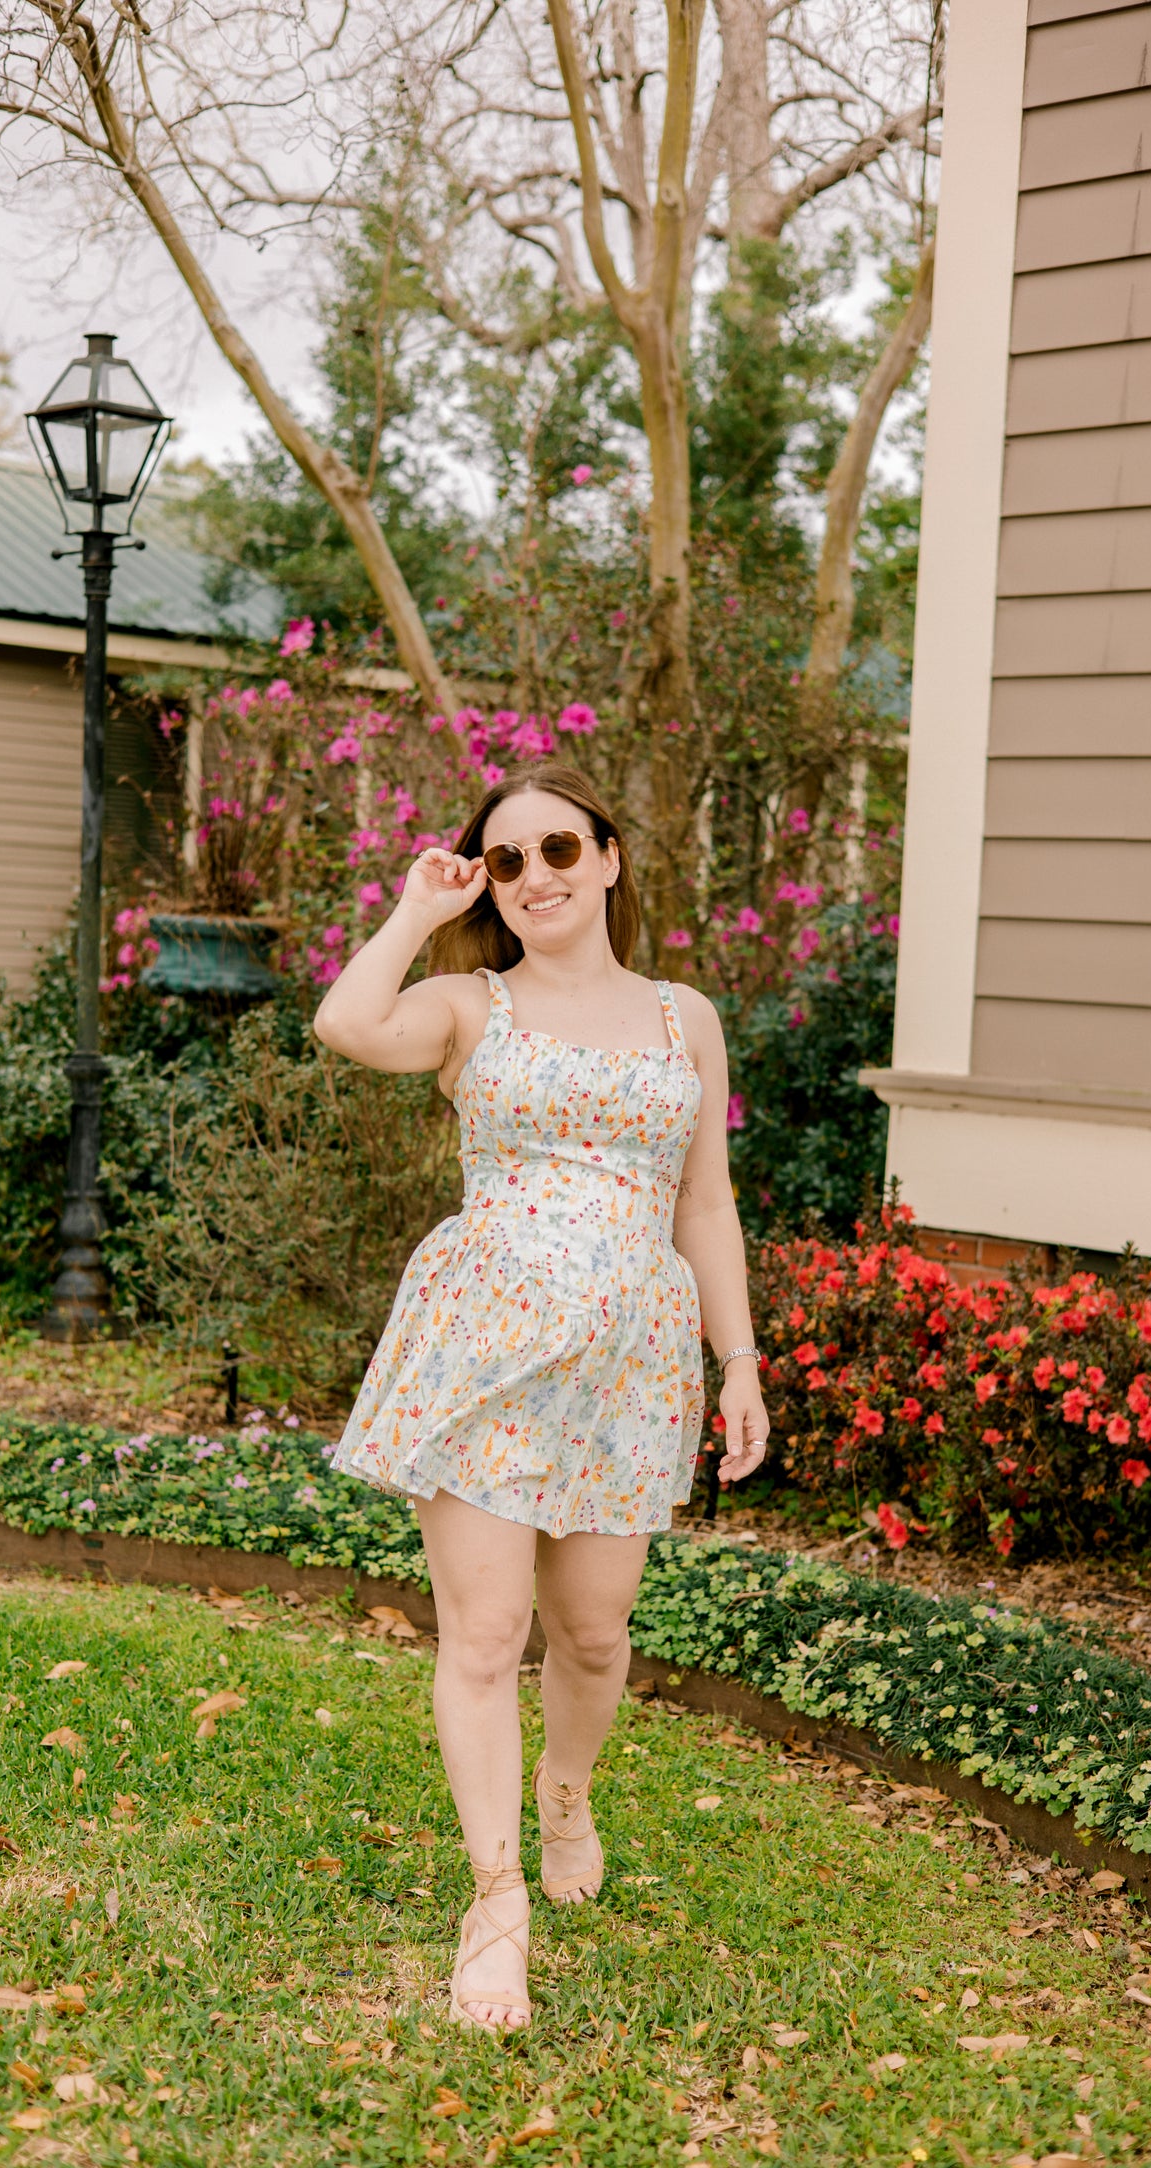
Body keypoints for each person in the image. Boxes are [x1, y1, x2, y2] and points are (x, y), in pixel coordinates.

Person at [313, 762, 769, 2033]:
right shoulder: (469, 1003)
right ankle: (495, 1900)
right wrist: (419, 908)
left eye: (558, 847)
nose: (535, 876)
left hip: (631, 1361)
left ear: (608, 857)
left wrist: (737, 1358)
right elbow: (347, 1023)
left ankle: (566, 1791)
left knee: (593, 1633)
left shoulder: (684, 1016)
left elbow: (704, 1200)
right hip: (485, 1351)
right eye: (506, 859)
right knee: (482, 1634)